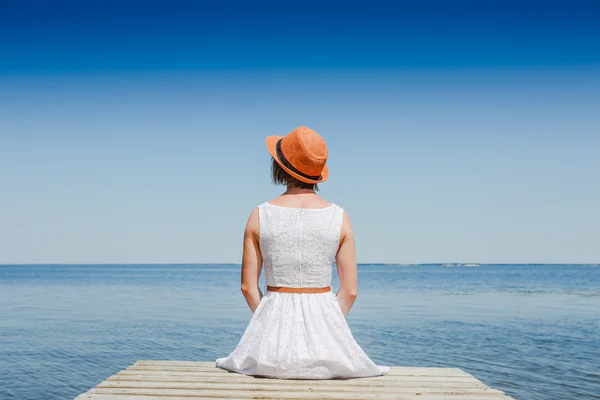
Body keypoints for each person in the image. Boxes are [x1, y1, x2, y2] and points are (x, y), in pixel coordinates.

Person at [216, 126, 389, 379]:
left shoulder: (259, 215)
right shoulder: (339, 217)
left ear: (280, 167)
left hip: (270, 351)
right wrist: (325, 328)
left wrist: (271, 326)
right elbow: (349, 292)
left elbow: (247, 287)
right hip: (328, 347)